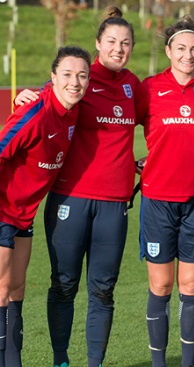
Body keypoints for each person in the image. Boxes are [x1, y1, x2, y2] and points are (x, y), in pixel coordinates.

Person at [15, 8, 139, 367]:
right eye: (112, 41)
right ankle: (60, 360)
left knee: (103, 290)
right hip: (71, 199)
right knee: (64, 284)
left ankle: (95, 363)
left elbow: (165, 116)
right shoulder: (80, 78)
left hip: (114, 204)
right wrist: (24, 96)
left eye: (125, 43)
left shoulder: (134, 86)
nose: (118, 48)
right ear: (98, 43)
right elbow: (46, 103)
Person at [134, 16, 194, 367]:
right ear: (168, 51)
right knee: (160, 288)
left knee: (190, 287)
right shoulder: (148, 89)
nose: (188, 55)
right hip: (158, 200)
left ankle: (188, 363)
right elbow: (112, 124)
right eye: (181, 48)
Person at [0, 46, 90, 367]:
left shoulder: (75, 109)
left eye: (81, 75)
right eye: (66, 75)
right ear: (53, 78)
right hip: (2, 210)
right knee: (0, 290)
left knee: (17, 289)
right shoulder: (35, 112)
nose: (74, 82)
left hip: (25, 214)